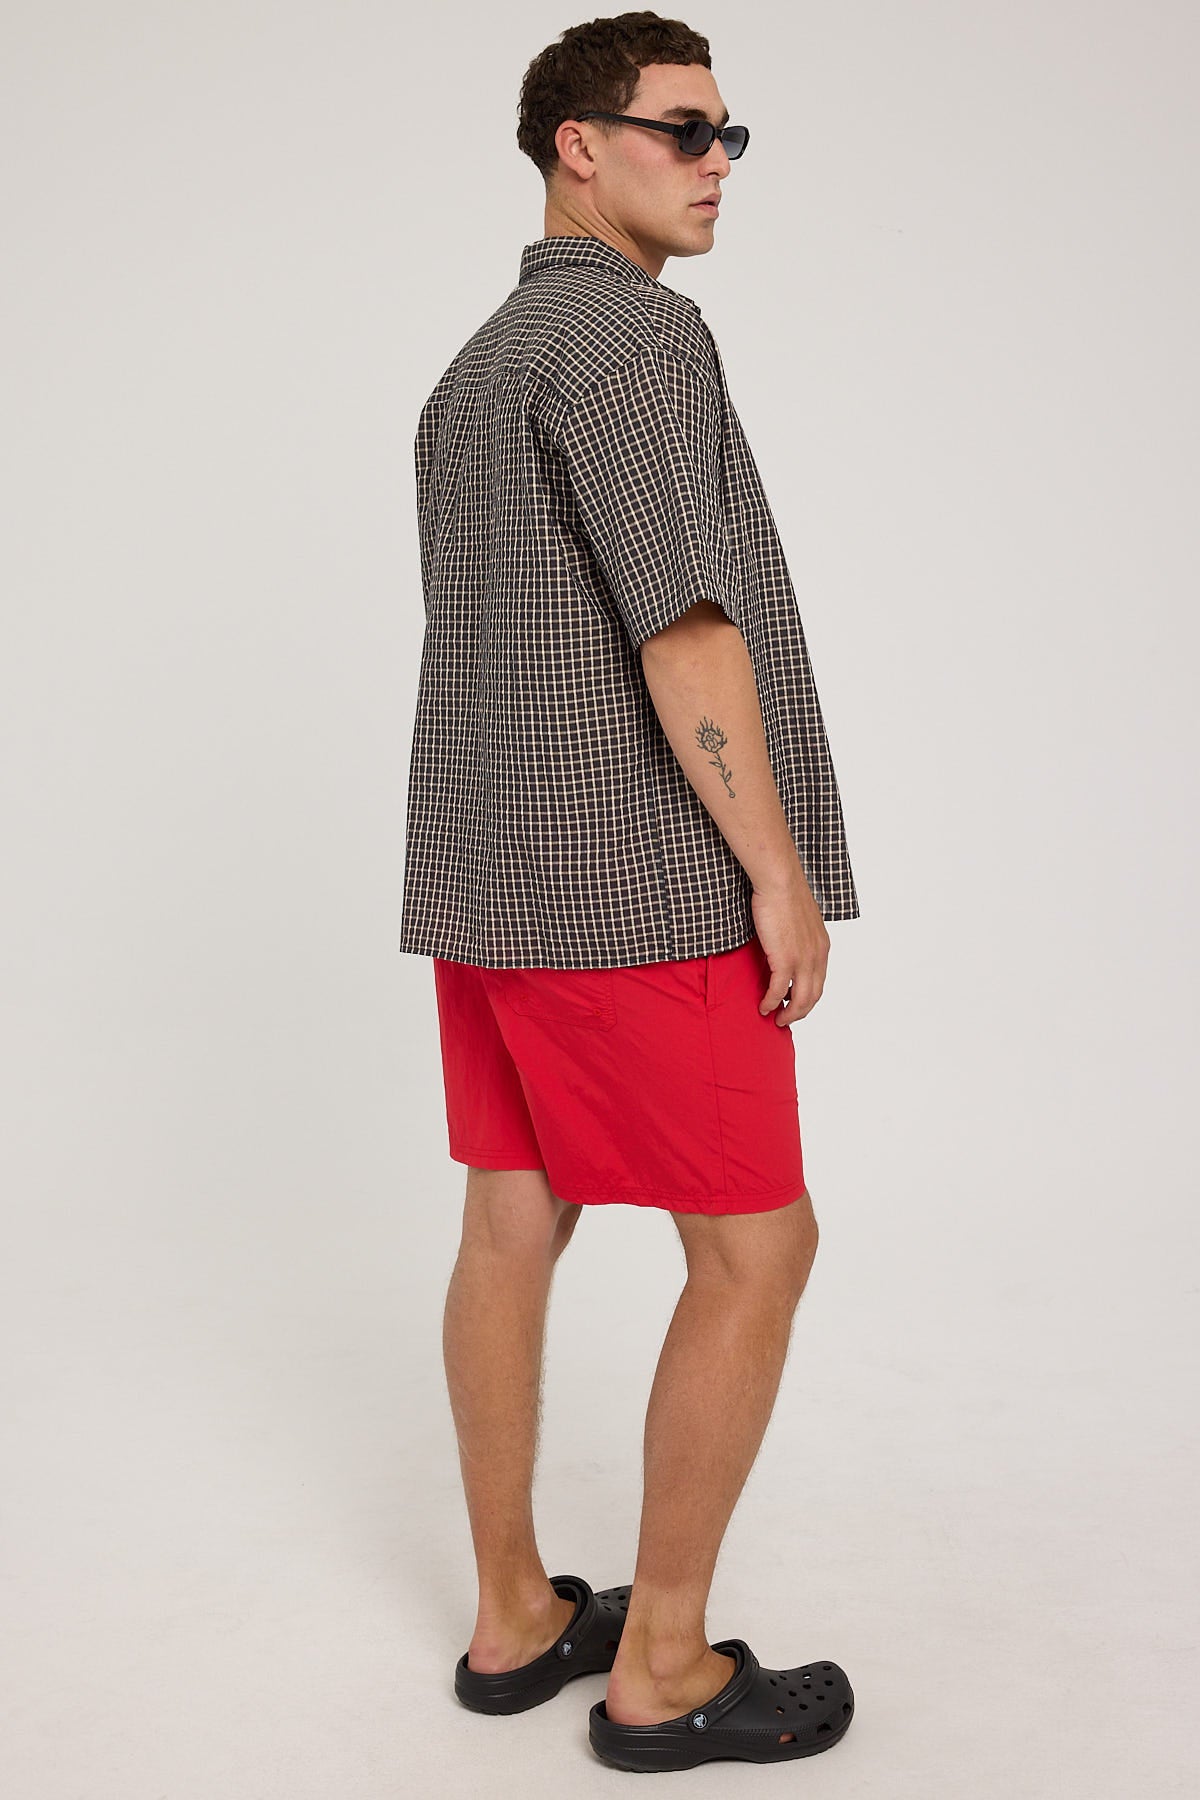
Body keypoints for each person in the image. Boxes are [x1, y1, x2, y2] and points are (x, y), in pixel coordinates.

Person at [397, 11, 860, 1772]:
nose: (718, 160)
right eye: (683, 128)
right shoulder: (634, 340)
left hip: (487, 878)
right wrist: (775, 872)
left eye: (731, 132)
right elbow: (683, 629)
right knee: (758, 1247)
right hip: (630, 886)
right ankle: (663, 1664)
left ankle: (516, 1614)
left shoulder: (480, 362)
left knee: (512, 1220)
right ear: (577, 147)